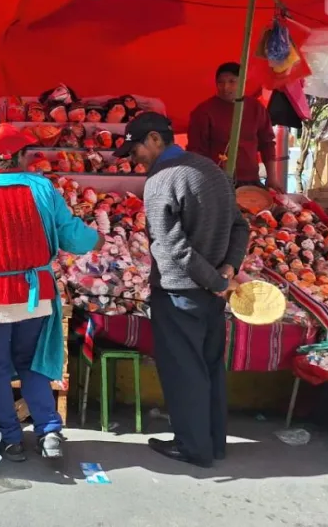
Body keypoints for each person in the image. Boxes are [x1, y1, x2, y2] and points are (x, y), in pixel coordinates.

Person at [0, 123, 103, 461]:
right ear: (17, 156)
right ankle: (49, 432)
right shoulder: (41, 188)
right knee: (32, 364)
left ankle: (10, 437)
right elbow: (72, 235)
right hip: (36, 295)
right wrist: (96, 239)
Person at [116, 112, 250, 468]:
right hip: (211, 296)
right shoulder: (213, 172)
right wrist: (227, 270)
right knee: (208, 367)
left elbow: (172, 245)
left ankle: (193, 448)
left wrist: (219, 279)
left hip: (180, 292)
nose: (134, 158)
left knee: (183, 371)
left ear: (157, 140)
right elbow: (241, 226)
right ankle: (213, 443)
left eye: (136, 149)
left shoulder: (161, 180)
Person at [187, 62, 282, 190]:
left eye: (232, 81)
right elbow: (196, 151)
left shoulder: (256, 108)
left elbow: (267, 144)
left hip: (251, 181)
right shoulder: (203, 111)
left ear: (242, 81)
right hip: (216, 182)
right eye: (221, 82)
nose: (225, 87)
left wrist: (272, 178)